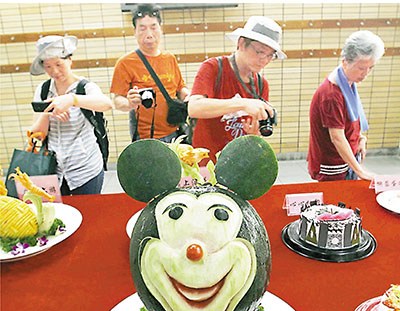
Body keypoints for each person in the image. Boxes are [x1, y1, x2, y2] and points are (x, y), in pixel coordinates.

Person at [188, 16, 286, 161]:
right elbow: (194, 107)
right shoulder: (214, 68)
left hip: (238, 164)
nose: (264, 60)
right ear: (241, 43)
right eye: (260, 52)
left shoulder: (261, 84)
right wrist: (243, 103)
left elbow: (254, 134)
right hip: (206, 162)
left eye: (270, 55)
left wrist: (254, 134)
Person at [29, 35, 112, 195]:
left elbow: (106, 104)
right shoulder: (43, 90)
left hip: (86, 169)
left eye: (59, 64)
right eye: (48, 67)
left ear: (69, 60)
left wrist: (72, 99)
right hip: (54, 170)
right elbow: (37, 134)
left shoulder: (85, 87)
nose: (55, 71)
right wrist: (48, 112)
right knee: (60, 215)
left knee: (89, 212)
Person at [308, 30, 385, 181]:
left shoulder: (346, 82)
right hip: (332, 165)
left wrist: (360, 138)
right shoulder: (331, 94)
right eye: (361, 68)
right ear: (345, 62)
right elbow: (337, 137)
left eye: (371, 68)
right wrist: (361, 171)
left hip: (346, 159)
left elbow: (350, 117)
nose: (366, 73)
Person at [110, 4, 190, 142]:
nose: (149, 34)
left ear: (160, 29)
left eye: (153, 27)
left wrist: (189, 97)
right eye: (142, 28)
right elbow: (117, 100)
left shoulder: (170, 58)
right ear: (135, 32)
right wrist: (129, 103)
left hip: (176, 132)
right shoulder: (125, 63)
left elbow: (180, 88)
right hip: (145, 137)